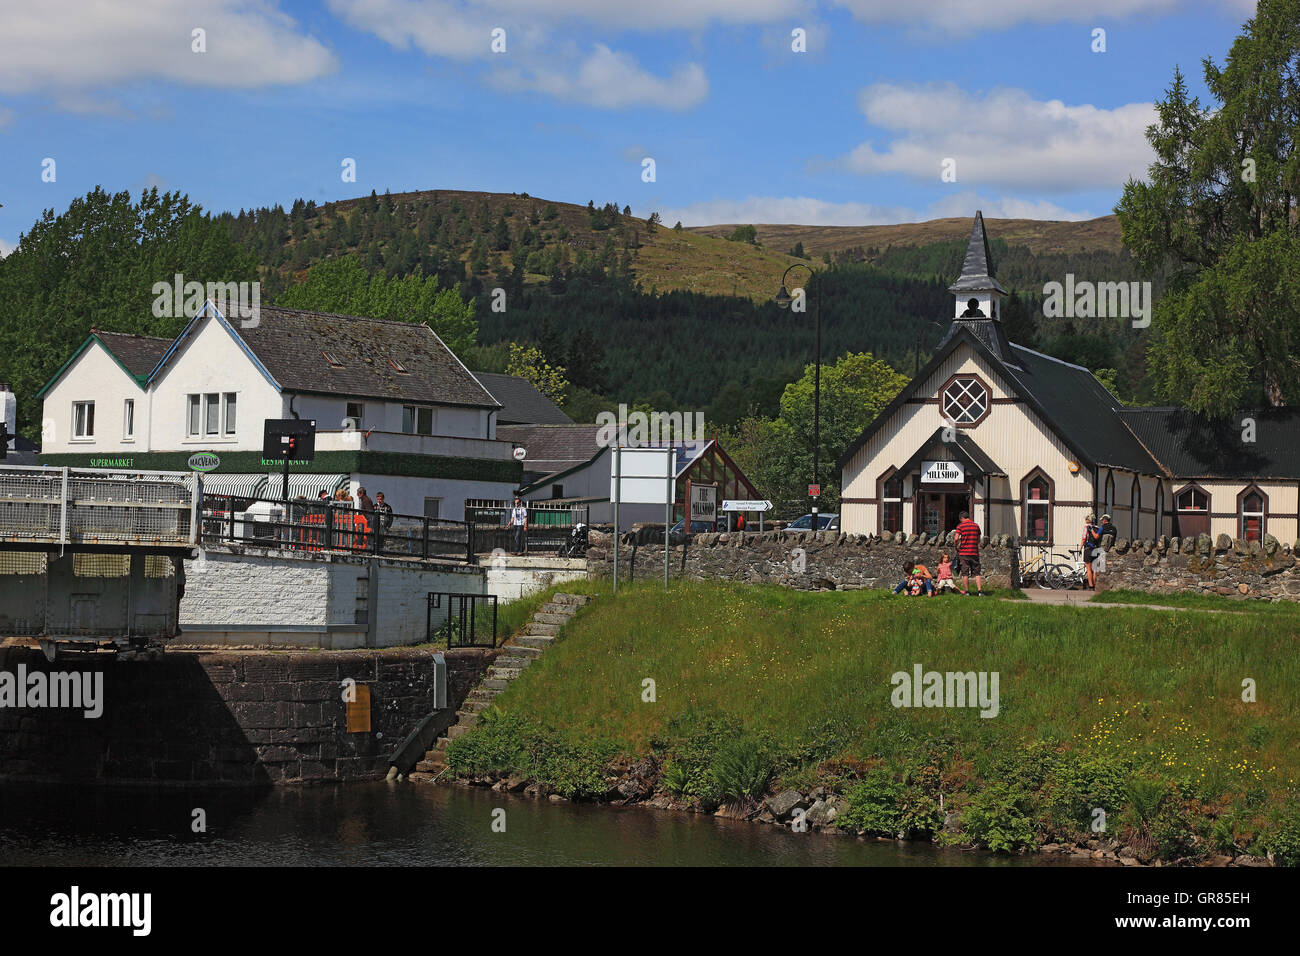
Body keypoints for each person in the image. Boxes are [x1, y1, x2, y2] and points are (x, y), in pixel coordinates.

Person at [953, 510, 984, 596]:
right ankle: (980, 591)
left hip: (964, 552)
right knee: (977, 573)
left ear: (961, 518)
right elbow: (978, 539)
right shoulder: (976, 526)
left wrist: (956, 547)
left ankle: (967, 592)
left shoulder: (960, 526)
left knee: (965, 573)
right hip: (974, 552)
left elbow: (956, 538)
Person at [1082, 513, 1101, 590]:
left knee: (1089, 570)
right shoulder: (1098, 528)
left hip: (1088, 549)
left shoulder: (1086, 527)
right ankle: (1096, 585)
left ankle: (1091, 586)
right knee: (1095, 570)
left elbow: (1083, 539)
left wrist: (1080, 548)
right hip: (1096, 549)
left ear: (1088, 520)